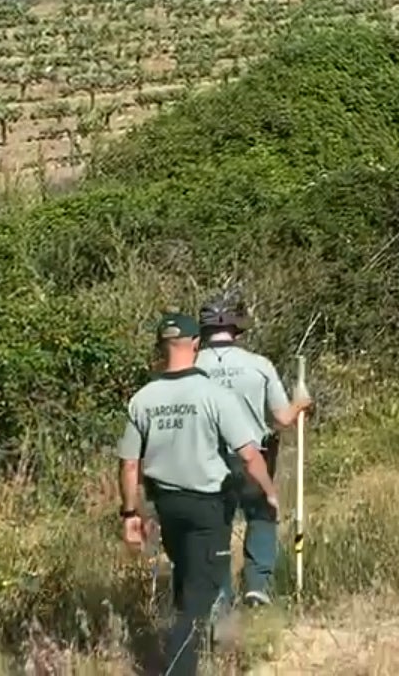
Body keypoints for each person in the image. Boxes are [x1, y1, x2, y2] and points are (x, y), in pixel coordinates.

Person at [117, 310, 279, 676]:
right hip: (207, 507)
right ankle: (179, 667)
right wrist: (268, 492)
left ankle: (209, 653)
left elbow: (129, 465)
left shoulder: (142, 399)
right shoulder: (214, 395)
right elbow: (249, 455)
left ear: (162, 346)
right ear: (194, 344)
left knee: (187, 577)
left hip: (167, 506)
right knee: (199, 598)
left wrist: (130, 515)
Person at [195, 290, 312, 608]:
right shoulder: (258, 365)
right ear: (236, 327)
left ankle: (219, 596)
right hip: (252, 459)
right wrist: (301, 402)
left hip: (205, 463)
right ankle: (257, 585)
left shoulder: (190, 368)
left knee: (214, 527)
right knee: (262, 514)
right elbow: (282, 418)